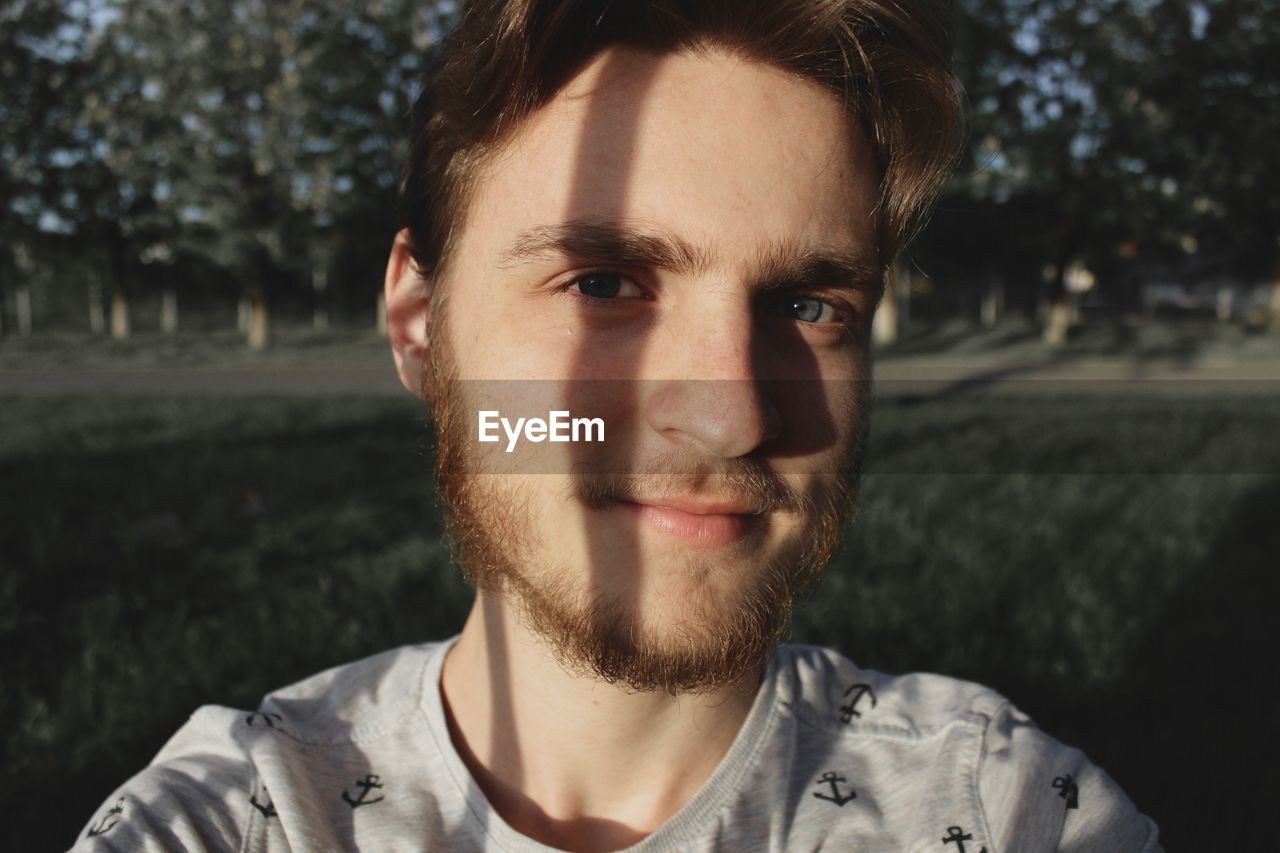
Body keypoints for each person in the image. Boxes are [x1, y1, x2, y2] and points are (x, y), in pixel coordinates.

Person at [73, 1, 1163, 850]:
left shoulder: (1007, 808)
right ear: (416, 322)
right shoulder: (236, 817)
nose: (733, 412)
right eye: (603, 283)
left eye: (808, 305)